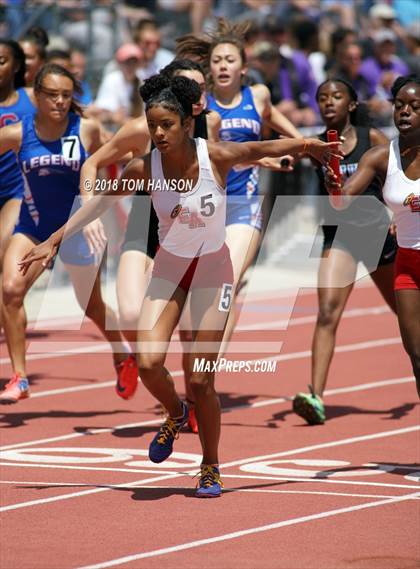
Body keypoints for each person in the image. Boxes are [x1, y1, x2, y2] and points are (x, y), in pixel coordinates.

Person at [18, 72, 340, 496]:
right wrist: (54, 240)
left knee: (202, 379)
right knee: (149, 363)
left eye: (167, 125)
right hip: (169, 269)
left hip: (211, 271)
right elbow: (100, 202)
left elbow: (262, 147)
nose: (158, 133)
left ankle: (210, 464)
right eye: (153, 125)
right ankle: (174, 412)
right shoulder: (144, 167)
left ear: (187, 124)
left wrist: (307, 146)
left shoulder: (217, 157)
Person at [81, 58, 221, 433]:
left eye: (200, 89)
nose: (197, 96)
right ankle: (143, 363)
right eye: (188, 87)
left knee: (191, 327)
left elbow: (226, 167)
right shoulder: (137, 129)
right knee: (130, 314)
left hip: (192, 232)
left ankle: (191, 401)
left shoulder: (211, 127)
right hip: (146, 225)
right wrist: (90, 211)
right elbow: (93, 163)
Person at [0, 63, 131, 404]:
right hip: (34, 228)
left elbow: (123, 152)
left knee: (92, 307)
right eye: (52, 95)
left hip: (78, 228)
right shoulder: (17, 132)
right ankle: (20, 377)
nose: (59, 102)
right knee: (11, 289)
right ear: (37, 96)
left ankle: (122, 352)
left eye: (66, 96)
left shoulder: (86, 128)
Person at [177, 19, 303, 353]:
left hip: (243, 209)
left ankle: (209, 367)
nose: (222, 66)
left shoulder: (258, 96)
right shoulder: (201, 107)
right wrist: (265, 160)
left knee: (224, 282)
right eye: (216, 61)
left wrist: (299, 150)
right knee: (200, 299)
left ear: (243, 69)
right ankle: (201, 371)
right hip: (205, 210)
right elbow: (212, 158)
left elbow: (293, 138)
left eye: (229, 60)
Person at [293, 78, 398, 425]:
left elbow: (396, 181)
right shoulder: (316, 145)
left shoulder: (374, 140)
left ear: (351, 105)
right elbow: (289, 154)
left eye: (336, 97)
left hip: (377, 235)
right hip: (338, 236)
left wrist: (398, 216)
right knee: (326, 313)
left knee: (407, 315)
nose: (328, 103)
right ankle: (316, 396)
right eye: (322, 98)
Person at [324, 74, 420, 399]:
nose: (405, 112)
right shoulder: (381, 157)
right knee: (417, 355)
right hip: (407, 264)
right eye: (399, 106)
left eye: (414, 107)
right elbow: (341, 202)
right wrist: (332, 183)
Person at [0, 39, 36, 334]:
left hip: (16, 191)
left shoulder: (32, 99)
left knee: (3, 261)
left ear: (16, 66)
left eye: (1, 60)